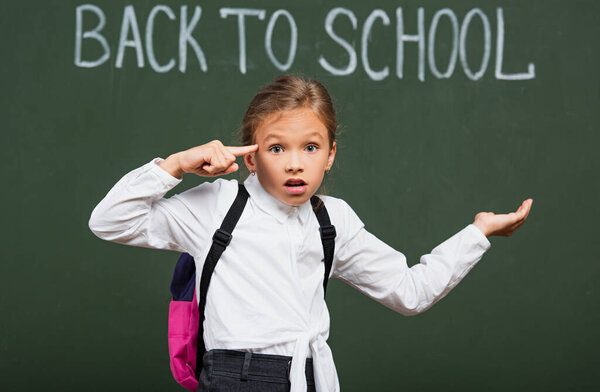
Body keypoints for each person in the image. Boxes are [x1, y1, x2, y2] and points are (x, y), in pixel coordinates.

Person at [88, 74, 533, 392]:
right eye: (277, 148)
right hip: (236, 378)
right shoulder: (216, 207)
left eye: (311, 147)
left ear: (331, 155)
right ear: (250, 157)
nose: (295, 163)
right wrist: (176, 166)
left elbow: (409, 292)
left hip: (312, 376)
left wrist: (477, 234)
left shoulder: (333, 221)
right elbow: (109, 221)